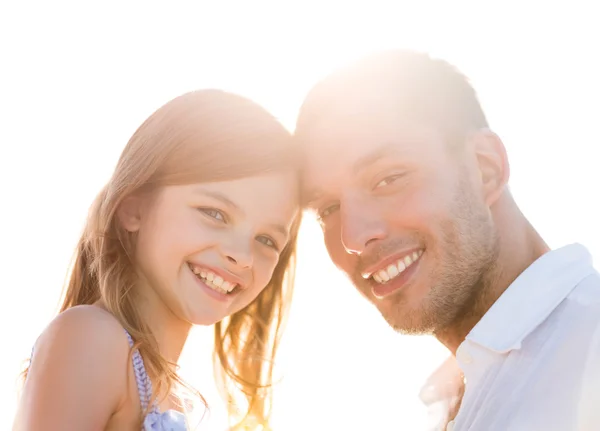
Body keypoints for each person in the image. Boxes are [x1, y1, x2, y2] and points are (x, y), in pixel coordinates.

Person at [294, 49, 600, 430]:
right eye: (327, 209)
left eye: (388, 179)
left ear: (485, 169)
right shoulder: (453, 399)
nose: (353, 236)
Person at [13, 90, 301, 431]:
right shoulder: (92, 338)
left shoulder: (170, 394)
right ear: (134, 208)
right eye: (215, 213)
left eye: (267, 240)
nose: (242, 255)